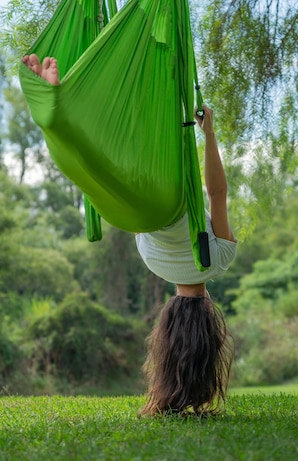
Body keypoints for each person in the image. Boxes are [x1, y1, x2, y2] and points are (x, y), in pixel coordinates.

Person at [22, 54, 237, 416]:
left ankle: (71, 108)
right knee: (94, 171)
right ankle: (60, 113)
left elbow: (217, 193)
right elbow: (139, 219)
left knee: (115, 153)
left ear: (210, 313)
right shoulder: (155, 262)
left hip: (168, 189)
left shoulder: (220, 261)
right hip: (137, 201)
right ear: (167, 321)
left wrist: (209, 133)